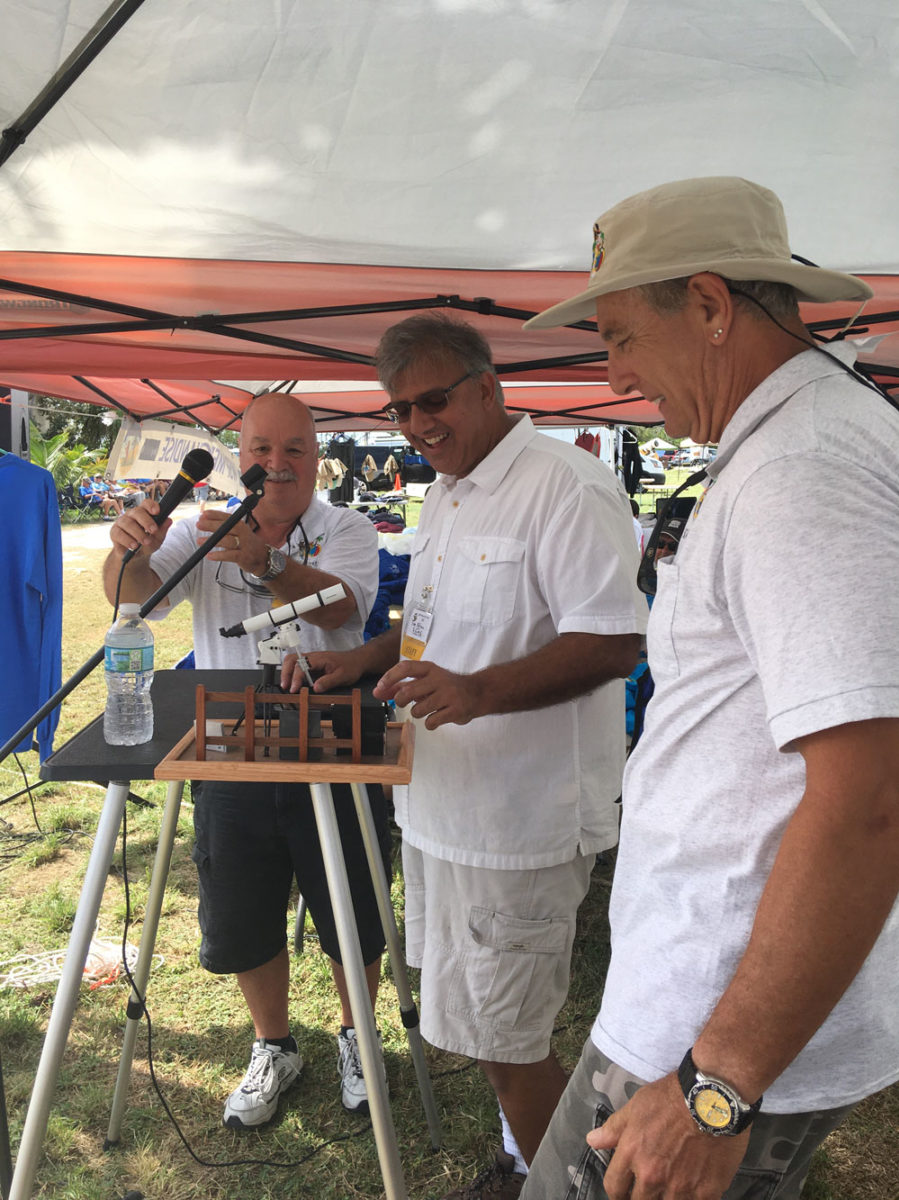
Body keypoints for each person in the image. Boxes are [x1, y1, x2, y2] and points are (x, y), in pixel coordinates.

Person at [517, 175, 899, 1199]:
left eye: (619, 337)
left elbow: (870, 796)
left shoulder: (801, 469)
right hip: (709, 1011)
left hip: (710, 1034)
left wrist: (716, 1088)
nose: (615, 374)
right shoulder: (800, 441)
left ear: (709, 305)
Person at [286, 314, 647, 1198]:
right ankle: (529, 1163)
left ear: (490, 387)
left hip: (519, 823)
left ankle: (574, 1186)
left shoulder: (566, 486)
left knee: (509, 1039)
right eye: (400, 408)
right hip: (442, 808)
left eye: (434, 400)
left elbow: (612, 643)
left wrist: (481, 691)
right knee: (484, 1025)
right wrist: (366, 659)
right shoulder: (446, 490)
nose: (416, 424)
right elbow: (427, 625)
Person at [102, 392, 392, 1127]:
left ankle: (358, 1034)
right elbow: (133, 599)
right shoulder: (203, 529)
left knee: (350, 902)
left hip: (329, 749)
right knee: (241, 909)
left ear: (316, 458)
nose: (276, 464)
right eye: (261, 449)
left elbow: (340, 607)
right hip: (230, 749)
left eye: (294, 449)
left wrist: (268, 565)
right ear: (240, 455)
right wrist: (128, 547)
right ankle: (274, 1046)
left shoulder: (345, 527)